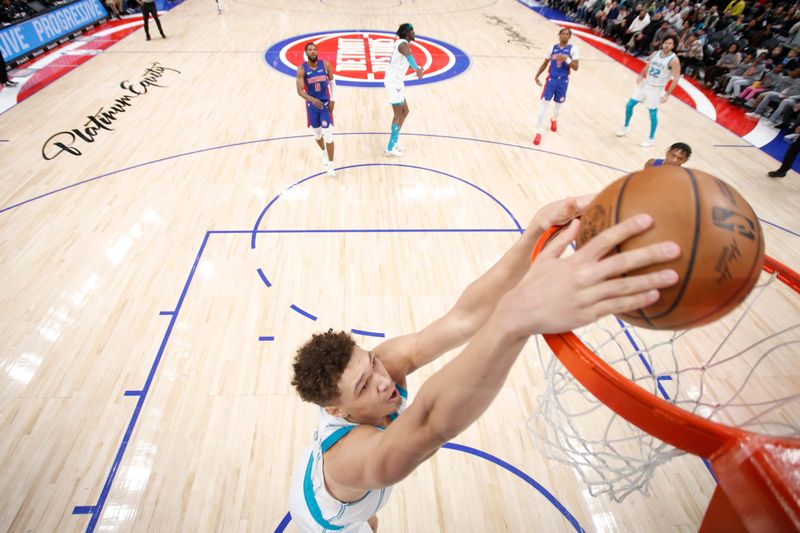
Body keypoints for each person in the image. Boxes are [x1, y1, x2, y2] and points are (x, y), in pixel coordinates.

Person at [287, 195, 681, 532]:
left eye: (372, 363)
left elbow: (463, 318)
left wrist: (532, 239)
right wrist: (516, 317)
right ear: (336, 410)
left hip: (355, 495)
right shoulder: (348, 461)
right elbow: (428, 424)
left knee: (368, 513)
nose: (382, 378)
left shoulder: (384, 369)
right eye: (363, 386)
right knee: (361, 517)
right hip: (324, 519)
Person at [617, 36, 681, 148]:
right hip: (645, 84)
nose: (667, 45)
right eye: (666, 42)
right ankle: (626, 127)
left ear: (673, 46)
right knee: (629, 105)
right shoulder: (656, 53)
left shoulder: (674, 60)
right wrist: (641, 74)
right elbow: (649, 64)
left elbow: (676, 78)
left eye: (670, 43)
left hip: (656, 89)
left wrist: (667, 94)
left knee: (652, 114)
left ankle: (651, 139)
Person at [533, 28, 580, 145]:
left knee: (558, 106)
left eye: (567, 34)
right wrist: (537, 75)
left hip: (563, 82)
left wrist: (567, 59)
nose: (564, 36)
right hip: (551, 80)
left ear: (569, 36)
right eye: (562, 33)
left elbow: (576, 67)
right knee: (542, 107)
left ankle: (554, 119)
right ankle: (538, 132)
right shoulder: (552, 48)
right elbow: (545, 63)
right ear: (559, 35)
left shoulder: (573, 49)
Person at [383, 23, 424, 157]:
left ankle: (394, 141)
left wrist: (417, 67)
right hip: (394, 82)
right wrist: (417, 69)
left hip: (397, 81)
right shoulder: (404, 44)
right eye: (412, 31)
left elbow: (408, 61)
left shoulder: (402, 44)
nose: (414, 33)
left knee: (405, 111)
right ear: (407, 33)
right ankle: (390, 147)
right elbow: (409, 57)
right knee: (398, 114)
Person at [296, 42, 337, 176]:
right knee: (318, 135)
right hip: (312, 107)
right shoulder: (302, 70)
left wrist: (333, 99)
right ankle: (323, 152)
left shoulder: (325, 65)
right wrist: (313, 100)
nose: (313, 51)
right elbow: (300, 91)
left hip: (325, 105)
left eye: (314, 49)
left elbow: (332, 82)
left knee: (329, 135)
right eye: (310, 50)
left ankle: (331, 165)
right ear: (306, 53)